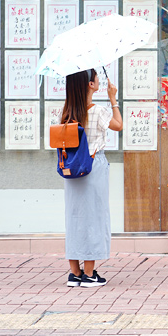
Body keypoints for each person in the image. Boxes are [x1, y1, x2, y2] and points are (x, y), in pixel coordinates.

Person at [61, 68, 122, 288]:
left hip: (72, 170)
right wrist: (113, 98)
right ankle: (89, 274)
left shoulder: (66, 111)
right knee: (94, 216)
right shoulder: (97, 111)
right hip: (93, 167)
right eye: (97, 79)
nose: (99, 81)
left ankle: (75, 273)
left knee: (75, 217)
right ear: (90, 85)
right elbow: (118, 125)